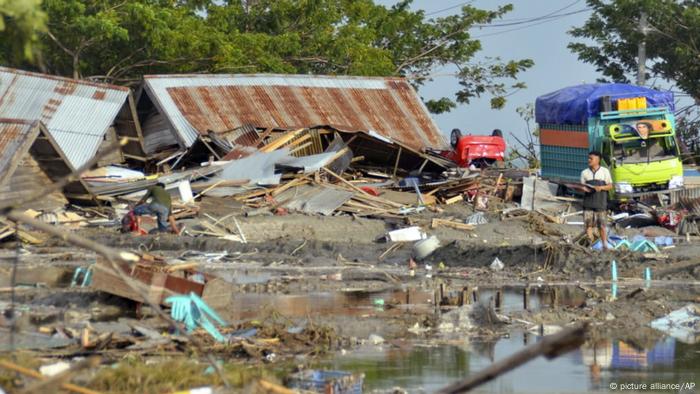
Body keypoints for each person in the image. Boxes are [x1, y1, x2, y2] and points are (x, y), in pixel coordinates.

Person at [580, 151, 613, 249]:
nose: (589, 160)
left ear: (598, 160)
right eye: (588, 158)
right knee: (588, 225)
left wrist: (601, 188)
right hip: (588, 203)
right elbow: (582, 186)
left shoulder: (605, 172)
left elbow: (610, 186)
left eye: (591, 158)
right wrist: (583, 188)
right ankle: (590, 245)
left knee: (602, 226)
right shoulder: (584, 173)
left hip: (600, 203)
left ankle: (604, 245)